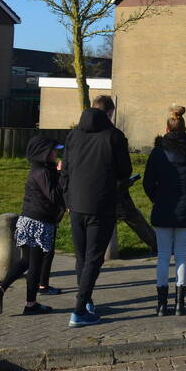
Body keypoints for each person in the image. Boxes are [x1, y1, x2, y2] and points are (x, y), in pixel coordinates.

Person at [60, 95, 132, 327]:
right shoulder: (114, 136)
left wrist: (68, 199)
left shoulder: (73, 135)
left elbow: (65, 172)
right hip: (101, 204)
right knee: (94, 258)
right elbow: (124, 171)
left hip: (76, 205)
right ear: (110, 112)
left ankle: (86, 301)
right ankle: (79, 309)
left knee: (81, 257)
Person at [144, 106, 186, 316]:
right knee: (181, 256)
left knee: (163, 256)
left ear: (166, 128)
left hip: (163, 209)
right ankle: (180, 304)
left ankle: (161, 305)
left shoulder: (158, 152)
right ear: (184, 128)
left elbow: (147, 183)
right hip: (185, 210)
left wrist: (158, 198)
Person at [0, 136, 65, 315]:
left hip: (28, 220)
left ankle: (0, 289)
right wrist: (61, 174)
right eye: (53, 150)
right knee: (35, 264)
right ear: (43, 153)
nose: (56, 153)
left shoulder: (41, 170)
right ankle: (30, 305)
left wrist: (56, 171)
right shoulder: (42, 172)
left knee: (26, 261)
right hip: (38, 222)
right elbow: (54, 196)